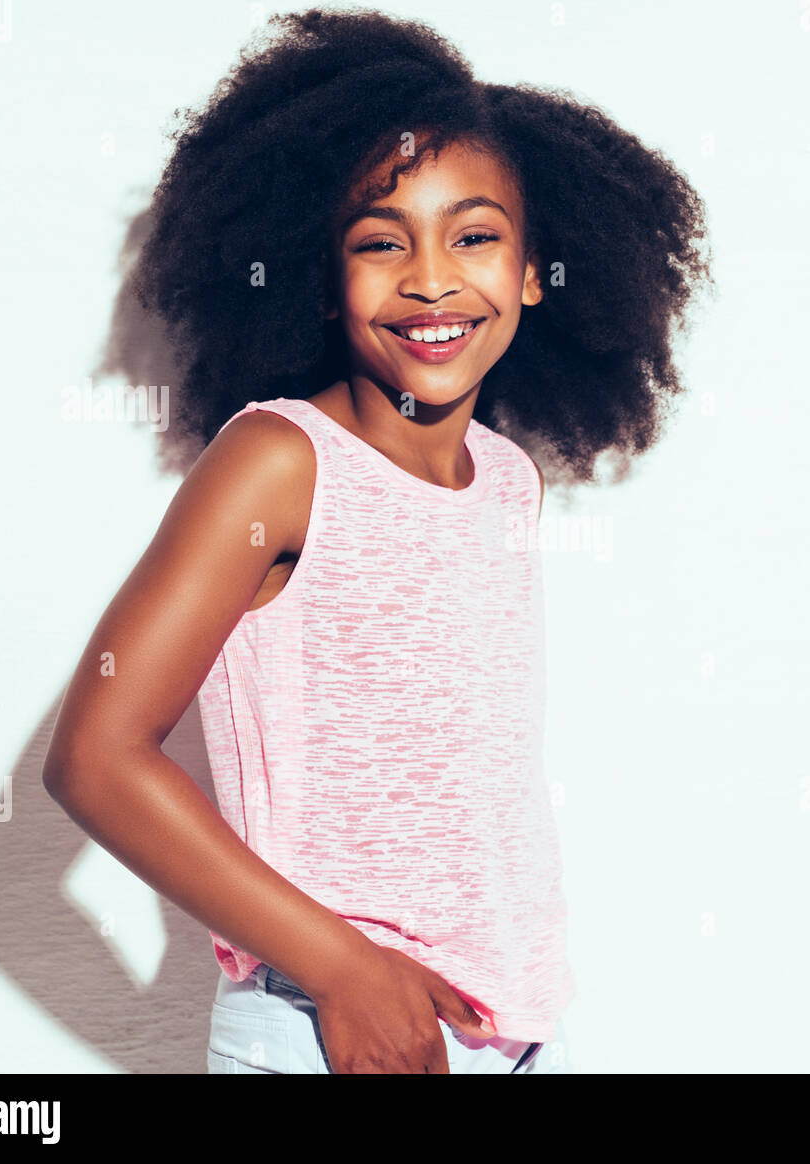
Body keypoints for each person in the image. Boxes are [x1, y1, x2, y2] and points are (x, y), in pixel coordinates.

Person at [42, 7, 712, 1074]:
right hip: (334, 1032)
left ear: (537, 271)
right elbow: (96, 758)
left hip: (518, 1033)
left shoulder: (505, 480)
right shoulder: (278, 462)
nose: (433, 279)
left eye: (475, 236)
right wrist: (345, 971)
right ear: (324, 275)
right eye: (380, 241)